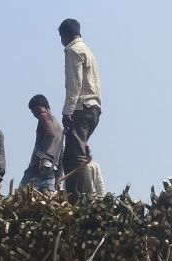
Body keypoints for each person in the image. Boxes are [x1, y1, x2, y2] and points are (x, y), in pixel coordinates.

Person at [58, 18, 102, 198]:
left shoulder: (73, 50)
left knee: (74, 157)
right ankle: (79, 195)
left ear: (64, 35)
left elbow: (74, 84)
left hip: (81, 107)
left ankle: (80, 198)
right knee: (73, 155)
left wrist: (67, 112)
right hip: (94, 108)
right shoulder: (87, 50)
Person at [20, 94, 63, 193]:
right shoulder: (58, 126)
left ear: (47, 107)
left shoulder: (44, 117)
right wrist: (59, 176)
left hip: (40, 165)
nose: (36, 115)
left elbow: (50, 134)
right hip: (52, 169)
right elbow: (61, 151)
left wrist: (39, 155)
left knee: (22, 194)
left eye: (38, 111)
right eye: (33, 112)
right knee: (47, 197)